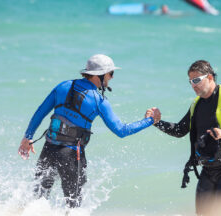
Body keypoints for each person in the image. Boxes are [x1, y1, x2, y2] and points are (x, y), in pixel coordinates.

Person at [18, 54, 159, 208]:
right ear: (102, 74)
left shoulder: (63, 86)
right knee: (73, 208)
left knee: (37, 201)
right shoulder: (99, 101)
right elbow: (121, 131)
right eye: (111, 74)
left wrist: (27, 137)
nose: (111, 78)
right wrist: (150, 120)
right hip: (71, 155)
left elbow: (40, 112)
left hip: (48, 149)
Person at [149, 60, 221, 216]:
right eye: (190, 82)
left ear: (209, 77)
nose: (193, 85)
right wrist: (156, 122)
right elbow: (180, 130)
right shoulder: (196, 104)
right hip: (208, 169)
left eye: (196, 80)